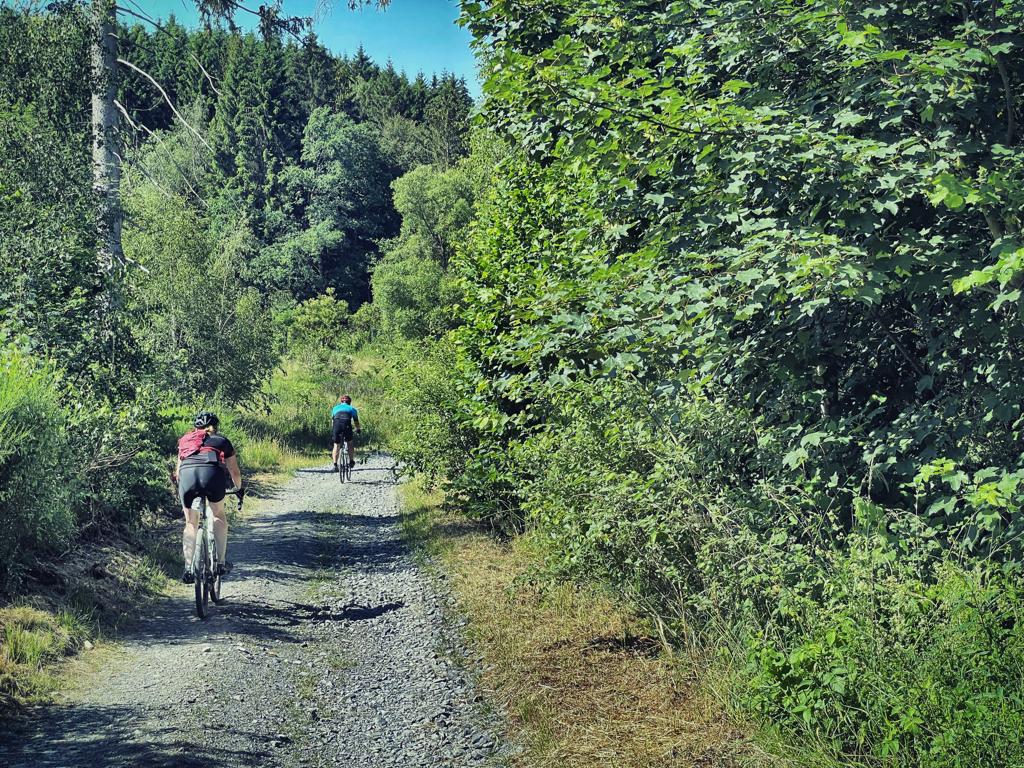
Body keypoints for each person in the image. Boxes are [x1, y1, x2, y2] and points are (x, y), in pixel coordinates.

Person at [172, 412, 242, 584]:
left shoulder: (185, 440)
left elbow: (178, 473)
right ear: (215, 428)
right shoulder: (221, 441)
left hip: (187, 476)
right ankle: (221, 563)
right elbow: (234, 471)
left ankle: (188, 568)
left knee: (190, 523)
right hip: (212, 475)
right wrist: (239, 488)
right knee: (218, 515)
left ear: (195, 428)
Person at [331, 395, 361, 470]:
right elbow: (356, 422)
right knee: (350, 442)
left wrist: (334, 430)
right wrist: (358, 429)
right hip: (346, 425)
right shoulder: (352, 409)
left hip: (337, 425)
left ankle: (335, 464)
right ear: (349, 402)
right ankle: (351, 461)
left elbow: (333, 421)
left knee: (336, 445)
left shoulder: (335, 408)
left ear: (341, 402)